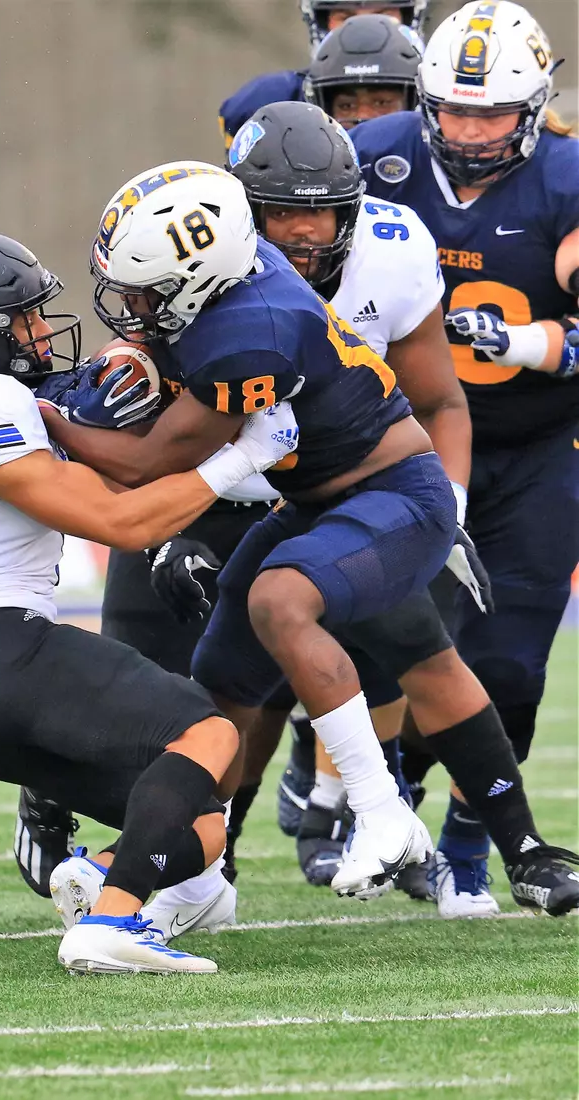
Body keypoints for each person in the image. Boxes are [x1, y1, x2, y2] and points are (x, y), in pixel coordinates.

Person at [40, 160, 579, 931]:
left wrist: (37, 414)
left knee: (282, 599)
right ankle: (187, 872)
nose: (133, 306)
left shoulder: (248, 327)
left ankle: (382, 813)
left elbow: (150, 460)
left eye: (147, 289)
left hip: (395, 496)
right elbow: (160, 373)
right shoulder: (234, 279)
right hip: (316, 503)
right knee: (217, 690)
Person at [0, 230, 298, 975]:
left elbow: (99, 484)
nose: (42, 330)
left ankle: (107, 876)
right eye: (23, 320)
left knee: (203, 821)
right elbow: (115, 520)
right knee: (211, 734)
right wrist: (245, 455)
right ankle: (111, 923)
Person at [350, 0, 579, 918]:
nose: (470, 131)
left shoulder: (567, 181)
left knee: (512, 661)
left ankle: (471, 841)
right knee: (385, 638)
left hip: (532, 446)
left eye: (491, 114)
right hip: (396, 439)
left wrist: (528, 345)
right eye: (453, 110)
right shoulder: (374, 159)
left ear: (533, 108)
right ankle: (373, 798)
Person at [224, 101, 477, 898]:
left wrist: (451, 515)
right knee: (188, 679)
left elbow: (440, 402)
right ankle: (189, 850)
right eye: (282, 213)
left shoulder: (390, 251)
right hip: (217, 482)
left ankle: (373, 805)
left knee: (379, 642)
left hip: (337, 490)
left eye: (322, 210)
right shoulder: (206, 262)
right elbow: (170, 431)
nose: (305, 231)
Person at [218, 3, 428, 148]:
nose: (364, 28)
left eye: (382, 14)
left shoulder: (442, 101)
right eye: (345, 17)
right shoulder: (270, 99)